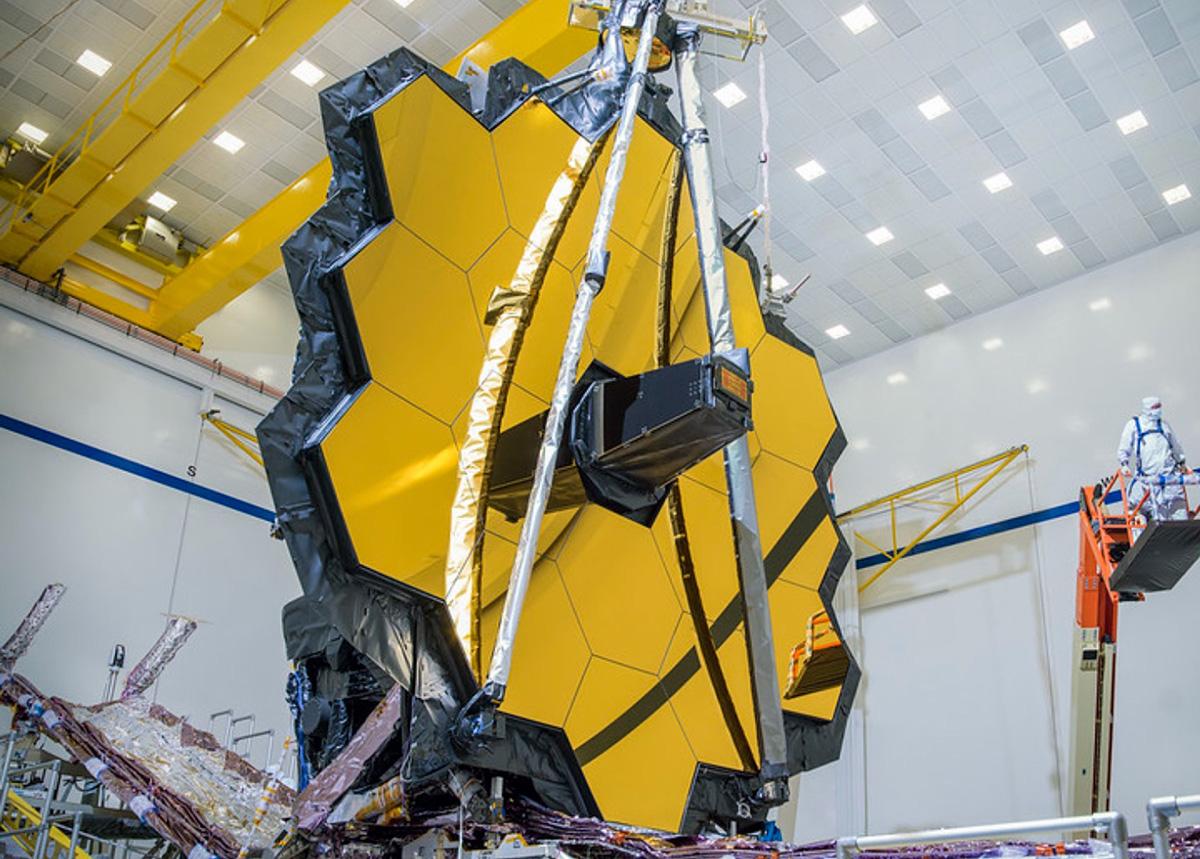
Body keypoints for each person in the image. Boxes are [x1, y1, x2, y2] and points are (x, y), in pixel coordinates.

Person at [1117, 396, 1190, 521]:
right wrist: (1124, 464)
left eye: (1159, 407)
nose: (1158, 410)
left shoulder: (1164, 426)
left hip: (1169, 478)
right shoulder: (1134, 425)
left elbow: (1175, 446)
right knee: (1159, 519)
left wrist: (1181, 462)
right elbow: (1124, 447)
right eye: (1155, 407)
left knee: (1179, 514)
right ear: (1147, 408)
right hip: (1148, 479)